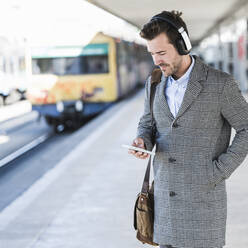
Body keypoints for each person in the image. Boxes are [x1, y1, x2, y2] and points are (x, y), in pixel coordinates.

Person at [128, 10, 248, 248]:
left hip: (203, 209)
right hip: (165, 209)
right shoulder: (153, 83)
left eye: (162, 53)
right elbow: (147, 124)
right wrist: (142, 141)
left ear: (183, 45)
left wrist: (218, 171)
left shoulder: (220, 84)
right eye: (152, 53)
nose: (156, 60)